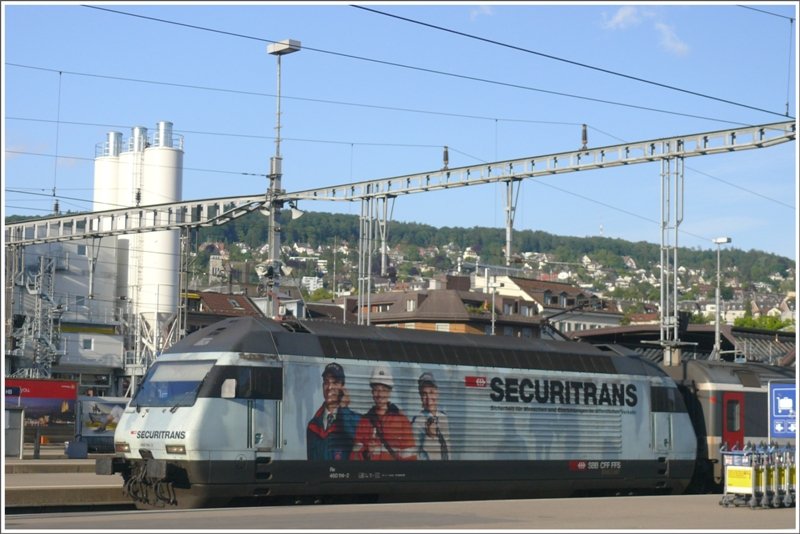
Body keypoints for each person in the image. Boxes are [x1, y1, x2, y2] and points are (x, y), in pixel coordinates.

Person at [350, 365, 416, 461]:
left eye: (384, 390)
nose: (380, 394)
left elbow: (411, 458)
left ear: (389, 392)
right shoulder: (364, 422)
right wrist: (366, 452)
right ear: (372, 392)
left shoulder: (402, 421)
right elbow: (353, 458)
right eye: (376, 390)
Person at [307, 362, 361, 460]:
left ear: (343, 388)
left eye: (335, 382)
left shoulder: (356, 421)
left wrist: (344, 409)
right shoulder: (312, 426)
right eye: (326, 382)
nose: (329, 387)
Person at [411, 372, 450, 460]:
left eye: (431, 392)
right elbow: (415, 456)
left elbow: (448, 448)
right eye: (424, 394)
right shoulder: (417, 423)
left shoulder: (443, 418)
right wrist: (429, 437)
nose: (428, 398)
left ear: (437, 393)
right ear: (420, 397)